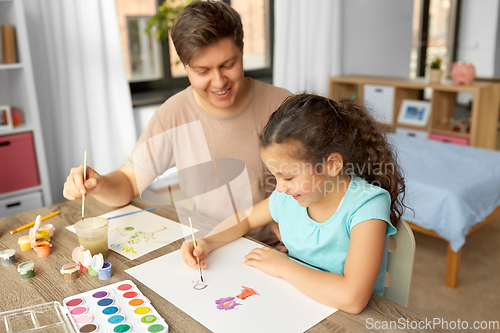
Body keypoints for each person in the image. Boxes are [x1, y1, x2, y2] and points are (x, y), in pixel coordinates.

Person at [62, 1, 291, 245]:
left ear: (242, 53)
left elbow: (319, 182)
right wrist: (97, 183)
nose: (218, 81)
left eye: (228, 65)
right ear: (185, 67)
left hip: (275, 248)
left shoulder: (283, 106)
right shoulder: (173, 114)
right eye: (203, 71)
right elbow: (129, 182)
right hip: (207, 246)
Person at [180, 93, 406, 314]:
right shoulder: (290, 195)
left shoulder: (367, 205)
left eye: (288, 177)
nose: (280, 188)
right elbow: (246, 219)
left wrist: (284, 266)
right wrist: (208, 241)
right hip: (297, 304)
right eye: (275, 176)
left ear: (332, 165)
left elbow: (352, 298)